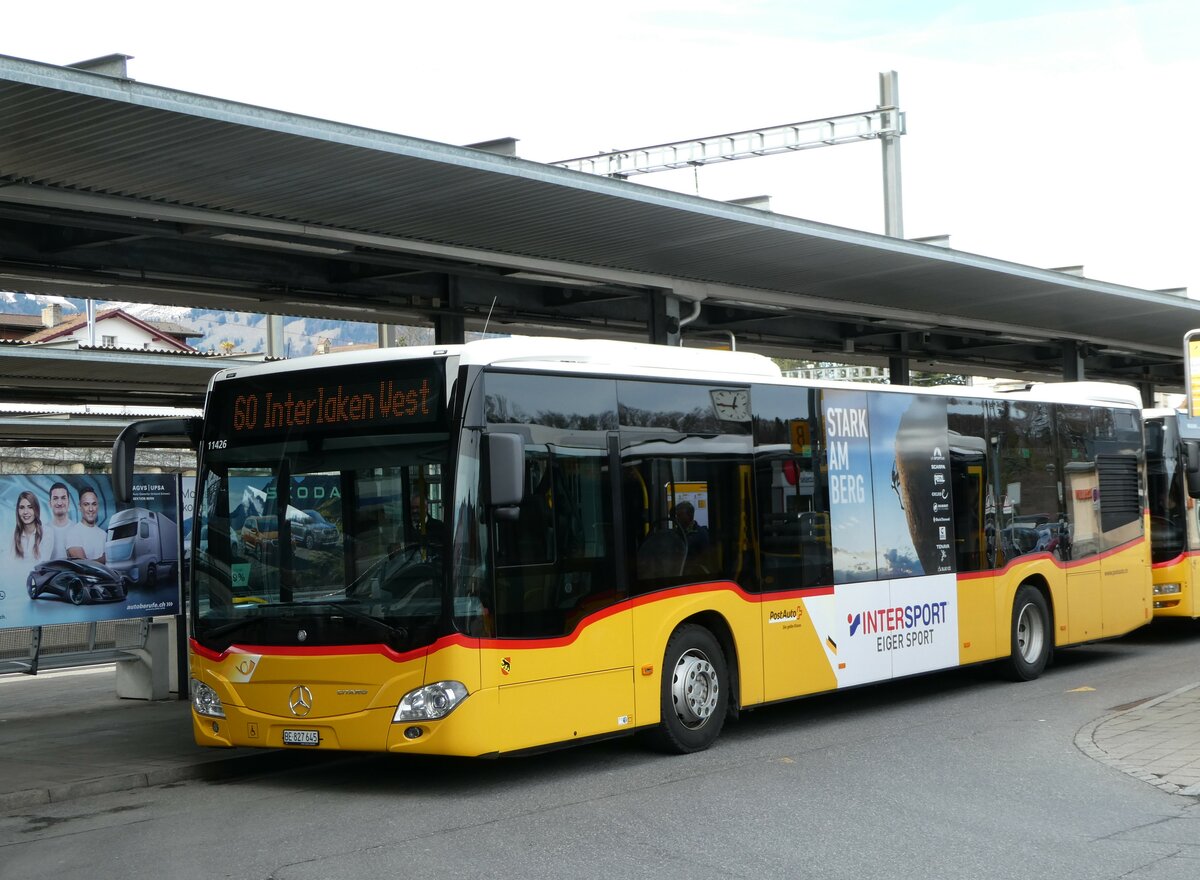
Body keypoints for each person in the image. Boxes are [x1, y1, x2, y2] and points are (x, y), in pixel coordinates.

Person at [66, 487, 107, 562]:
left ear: (98, 506)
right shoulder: (73, 533)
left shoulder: (104, 534)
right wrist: (105, 559)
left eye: (94, 504)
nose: (91, 509)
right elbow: (84, 565)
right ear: (80, 507)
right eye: (86, 504)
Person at [12, 490, 47, 565]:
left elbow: (42, 565)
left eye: (30, 507)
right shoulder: (13, 536)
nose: (25, 512)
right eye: (22, 507)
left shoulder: (47, 533)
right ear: (17, 511)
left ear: (36, 509)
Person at [46, 481, 75, 561]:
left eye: (63, 498)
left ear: (68, 502)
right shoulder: (42, 531)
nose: (59, 503)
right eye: (55, 498)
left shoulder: (77, 530)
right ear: (50, 503)